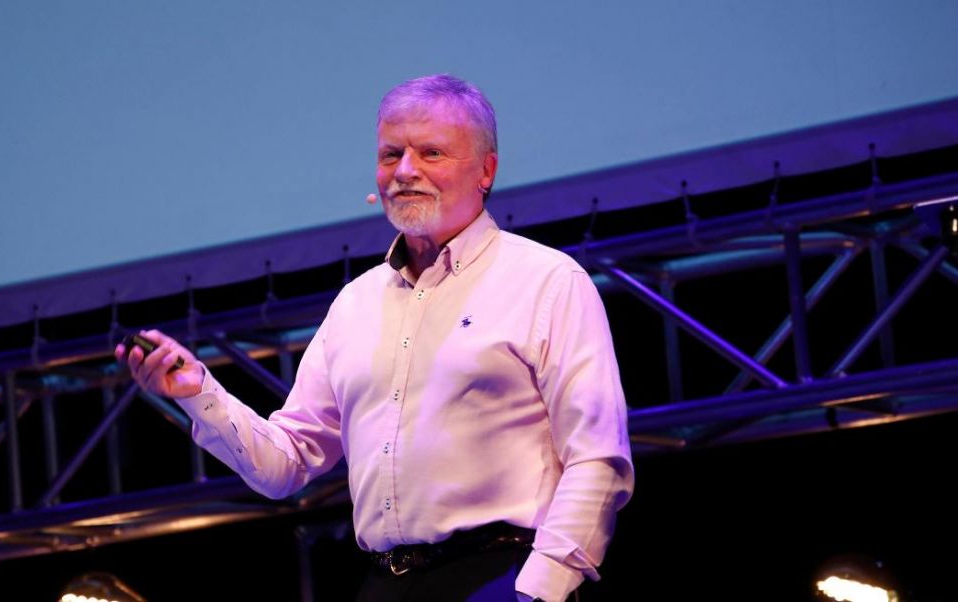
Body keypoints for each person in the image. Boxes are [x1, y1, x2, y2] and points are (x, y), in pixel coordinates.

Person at [117, 74, 634, 602]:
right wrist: (196, 392)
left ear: (486, 170)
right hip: (385, 585)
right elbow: (287, 462)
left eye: (430, 153)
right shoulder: (355, 304)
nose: (405, 171)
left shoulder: (545, 280)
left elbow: (597, 457)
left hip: (503, 575)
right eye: (391, 155)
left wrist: (542, 590)